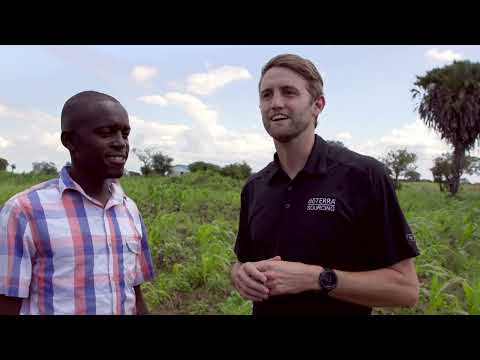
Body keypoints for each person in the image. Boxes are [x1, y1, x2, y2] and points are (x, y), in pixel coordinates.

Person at [231, 54, 420, 315]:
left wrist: (317, 278)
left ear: (317, 105)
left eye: (288, 92)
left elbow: (406, 290)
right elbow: (242, 263)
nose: (275, 103)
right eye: (266, 95)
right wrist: (240, 274)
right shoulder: (254, 187)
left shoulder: (363, 176)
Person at [0, 91, 155, 315]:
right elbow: (6, 304)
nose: (121, 143)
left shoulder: (128, 209)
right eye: (106, 132)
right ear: (70, 141)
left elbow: (135, 296)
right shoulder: (24, 211)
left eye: (125, 134)